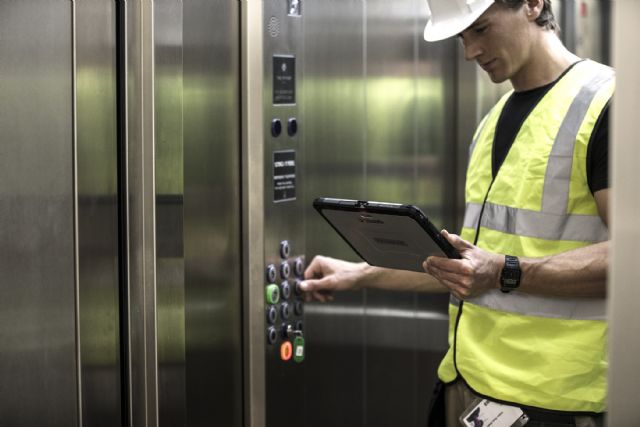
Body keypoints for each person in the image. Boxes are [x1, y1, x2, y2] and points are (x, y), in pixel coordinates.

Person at [299, 0, 613, 426]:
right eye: (462, 37)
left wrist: (507, 270)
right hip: (467, 387)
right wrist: (360, 273)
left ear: (534, 4)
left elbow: (629, 258)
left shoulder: (607, 105)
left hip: (556, 400)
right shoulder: (491, 122)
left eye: (481, 29)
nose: (470, 52)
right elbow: (472, 266)